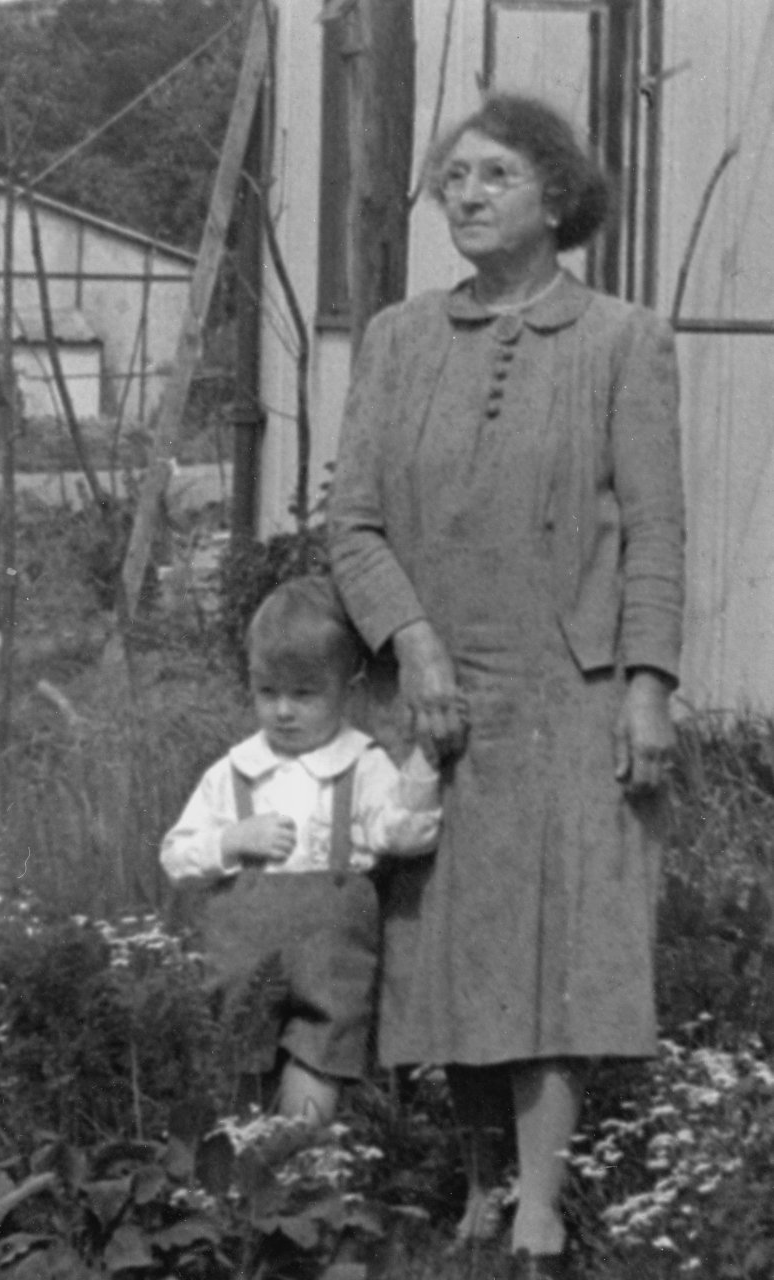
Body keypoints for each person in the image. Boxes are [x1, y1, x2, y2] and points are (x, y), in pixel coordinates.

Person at [328, 93, 685, 1278]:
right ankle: (481, 1176)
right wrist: (414, 646)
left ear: (556, 195)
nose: (466, 196)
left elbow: (656, 531)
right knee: (447, 941)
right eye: (454, 179)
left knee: (557, 939)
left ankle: (540, 1202)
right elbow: (354, 525)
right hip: (438, 693)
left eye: (494, 175)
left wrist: (647, 685)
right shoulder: (397, 340)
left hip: (570, 691)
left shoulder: (624, 339)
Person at [160, 575, 441, 1126]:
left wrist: (423, 765)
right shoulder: (234, 771)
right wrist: (231, 841)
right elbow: (176, 856)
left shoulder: (364, 764)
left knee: (320, 1053)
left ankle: (302, 1156)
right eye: (268, 693)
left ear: (347, 691)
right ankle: (243, 1155)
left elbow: (402, 833)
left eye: (304, 694)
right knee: (237, 1059)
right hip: (243, 958)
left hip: (329, 955)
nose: (283, 711)